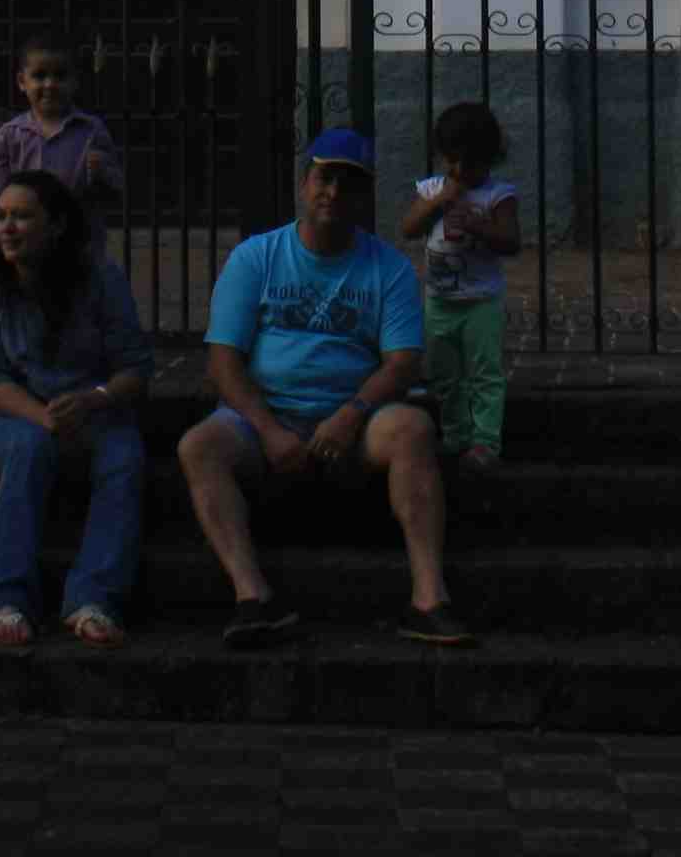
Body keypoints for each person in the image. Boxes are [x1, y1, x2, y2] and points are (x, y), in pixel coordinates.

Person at [178, 128, 468, 649]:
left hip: (355, 422)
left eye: (349, 183)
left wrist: (350, 415)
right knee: (197, 446)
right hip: (265, 417)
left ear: (365, 196)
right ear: (303, 184)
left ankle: (428, 598)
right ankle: (253, 596)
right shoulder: (255, 257)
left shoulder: (390, 269)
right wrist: (267, 429)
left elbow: (401, 362)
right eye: (324, 177)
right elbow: (223, 361)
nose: (334, 192)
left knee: (413, 428)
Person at [0, 167, 153, 647]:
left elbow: (135, 367)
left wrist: (94, 399)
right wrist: (42, 417)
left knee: (124, 458)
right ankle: (5, 599)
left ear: (57, 225)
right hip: (15, 414)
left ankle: (94, 598)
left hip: (92, 410)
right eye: (1, 216)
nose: (6, 228)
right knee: (29, 448)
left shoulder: (100, 277)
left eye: (22, 217)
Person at [394, 101, 523, 467]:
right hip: (439, 300)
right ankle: (455, 433)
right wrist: (436, 203)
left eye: (471, 163)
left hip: (481, 301)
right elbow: (409, 228)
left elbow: (511, 242)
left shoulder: (499, 195)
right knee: (443, 373)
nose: (460, 171)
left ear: (490, 159)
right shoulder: (434, 187)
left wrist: (479, 225)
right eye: (453, 161)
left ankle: (485, 441)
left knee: (484, 372)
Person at [0, 32, 124, 218]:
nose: (50, 84)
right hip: (26, 244)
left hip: (80, 243)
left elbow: (115, 190)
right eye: (39, 75)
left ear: (75, 81)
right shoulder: (8, 136)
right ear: (22, 81)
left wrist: (102, 174)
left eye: (60, 76)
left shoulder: (92, 130)